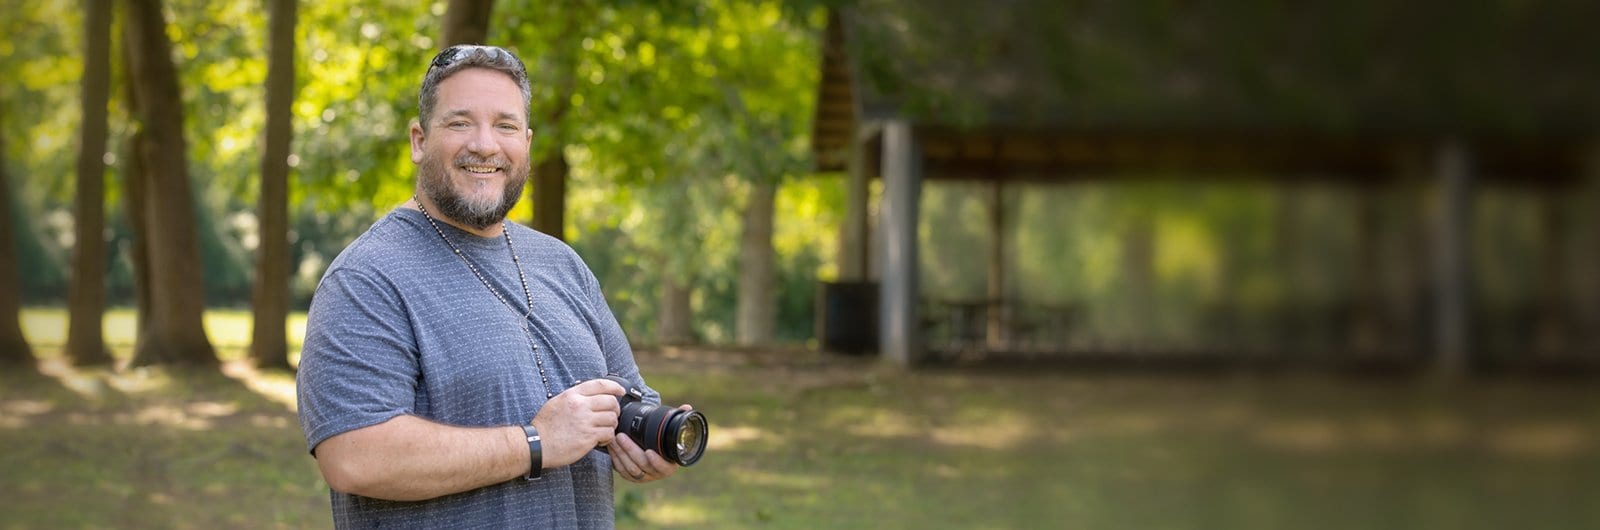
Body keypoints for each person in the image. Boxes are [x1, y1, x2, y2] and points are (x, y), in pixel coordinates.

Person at [296, 44, 684, 529]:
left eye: (505, 125)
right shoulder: (367, 278)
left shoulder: (562, 263)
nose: (485, 144)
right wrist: (536, 442)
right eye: (460, 123)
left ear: (526, 141)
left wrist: (649, 446)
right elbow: (353, 456)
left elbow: (632, 397)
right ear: (419, 140)